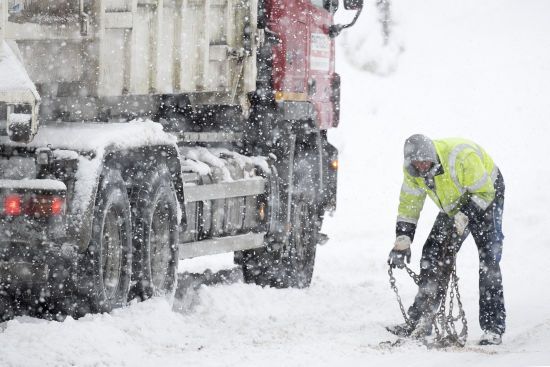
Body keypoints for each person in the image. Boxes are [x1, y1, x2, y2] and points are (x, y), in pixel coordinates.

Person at [387, 134, 506, 346]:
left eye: (425, 161)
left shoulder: (462, 157)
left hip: (487, 195)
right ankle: (422, 319)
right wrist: (403, 239)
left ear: (434, 156)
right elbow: (409, 205)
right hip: (455, 202)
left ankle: (492, 327)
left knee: (488, 259)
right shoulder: (413, 172)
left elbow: (485, 192)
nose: (422, 166)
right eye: (416, 162)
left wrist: (465, 216)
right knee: (432, 255)